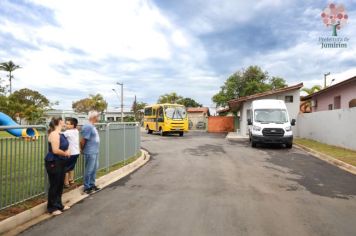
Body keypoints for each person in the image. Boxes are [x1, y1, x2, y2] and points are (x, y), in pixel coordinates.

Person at [45, 117, 71, 215]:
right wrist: (66, 153)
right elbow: (55, 150)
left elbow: (64, 147)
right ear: (59, 122)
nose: (64, 122)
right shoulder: (54, 134)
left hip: (61, 161)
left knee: (60, 184)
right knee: (55, 184)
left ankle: (59, 205)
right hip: (54, 162)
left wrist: (67, 151)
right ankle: (51, 208)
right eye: (63, 121)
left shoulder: (61, 134)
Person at [81, 111, 101, 194]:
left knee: (94, 168)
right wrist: (82, 149)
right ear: (94, 117)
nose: (99, 117)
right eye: (98, 116)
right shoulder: (88, 126)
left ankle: (92, 184)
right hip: (90, 151)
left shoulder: (92, 126)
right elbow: (83, 140)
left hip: (95, 151)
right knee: (89, 170)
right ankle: (87, 186)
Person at [63, 117, 80, 188]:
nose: (65, 125)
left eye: (67, 124)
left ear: (72, 125)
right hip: (76, 152)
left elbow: (60, 134)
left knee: (65, 168)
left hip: (70, 153)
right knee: (72, 167)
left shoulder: (67, 132)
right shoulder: (76, 131)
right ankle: (71, 180)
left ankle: (66, 183)